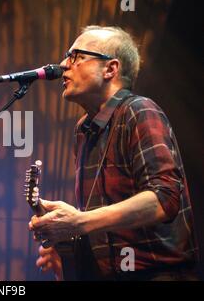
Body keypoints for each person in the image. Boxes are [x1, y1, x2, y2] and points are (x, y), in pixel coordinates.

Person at [29, 26, 199, 281]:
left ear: (111, 69)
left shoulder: (140, 111)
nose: (64, 64)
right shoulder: (83, 130)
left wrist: (79, 222)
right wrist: (68, 248)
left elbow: (164, 200)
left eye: (76, 56)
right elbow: (105, 225)